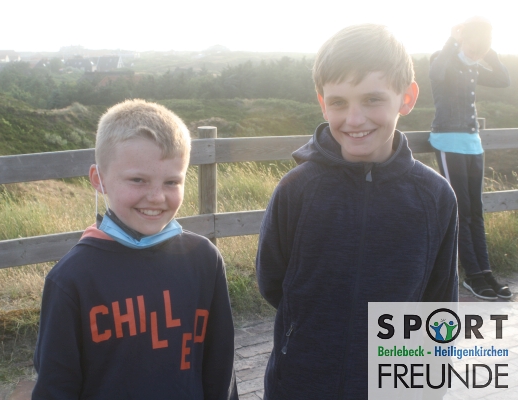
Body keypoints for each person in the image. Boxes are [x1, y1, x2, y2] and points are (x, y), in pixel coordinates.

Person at [255, 24, 458, 399]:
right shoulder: (296, 189)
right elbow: (272, 281)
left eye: (372, 99)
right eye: (339, 103)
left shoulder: (435, 196)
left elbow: (440, 301)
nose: (354, 119)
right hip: (300, 382)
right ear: (322, 103)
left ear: (406, 98)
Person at [32, 99, 238, 399]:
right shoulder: (71, 279)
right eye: (138, 180)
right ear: (99, 180)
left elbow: (220, 366)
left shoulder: (204, 259)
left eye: (171, 182)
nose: (156, 197)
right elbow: (55, 386)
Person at [429, 16, 512, 300]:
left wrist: (486, 51)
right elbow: (437, 73)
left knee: (476, 210)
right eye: (474, 48)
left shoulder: (474, 66)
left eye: (483, 49)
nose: (477, 54)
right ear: (462, 39)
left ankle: (486, 271)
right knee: (462, 211)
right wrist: (453, 41)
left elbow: (503, 79)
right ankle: (472, 275)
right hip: (448, 142)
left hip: (473, 144)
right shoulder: (443, 59)